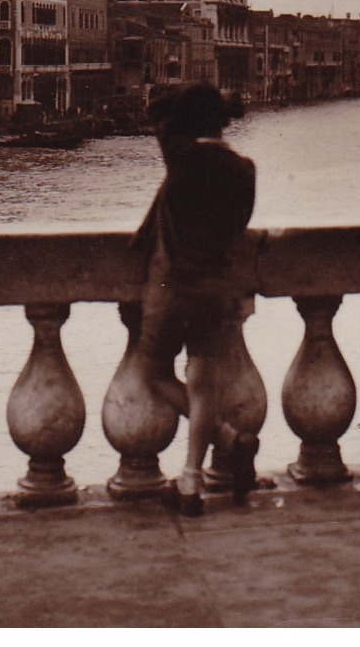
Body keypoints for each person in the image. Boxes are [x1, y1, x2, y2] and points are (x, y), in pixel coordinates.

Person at [129, 82, 259, 516]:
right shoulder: (245, 170)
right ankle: (190, 482)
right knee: (203, 381)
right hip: (217, 288)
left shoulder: (180, 160)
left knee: (154, 372)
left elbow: (157, 110)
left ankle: (226, 441)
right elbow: (238, 228)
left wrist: (204, 102)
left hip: (172, 287)